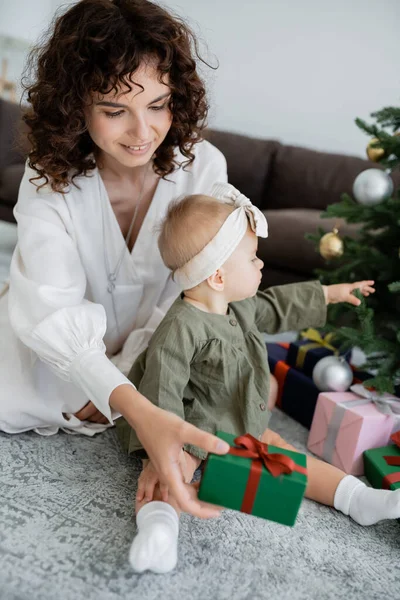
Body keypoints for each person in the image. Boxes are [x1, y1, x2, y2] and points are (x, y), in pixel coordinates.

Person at [0, 0, 234, 518]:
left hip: (160, 347)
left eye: (158, 104)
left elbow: (200, 296)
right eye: (114, 111)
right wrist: (125, 399)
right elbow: (51, 311)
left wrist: (132, 386)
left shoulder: (204, 169)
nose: (143, 132)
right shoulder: (47, 177)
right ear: (76, 105)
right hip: (55, 341)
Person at [117, 182, 400, 574]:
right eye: (252, 259)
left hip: (238, 420)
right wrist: (160, 450)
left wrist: (329, 294)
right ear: (218, 277)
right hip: (190, 429)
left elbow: (276, 305)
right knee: (169, 475)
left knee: (287, 457)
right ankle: (159, 531)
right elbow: (160, 389)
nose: (261, 265)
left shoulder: (240, 305)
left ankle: (357, 499)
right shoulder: (181, 328)